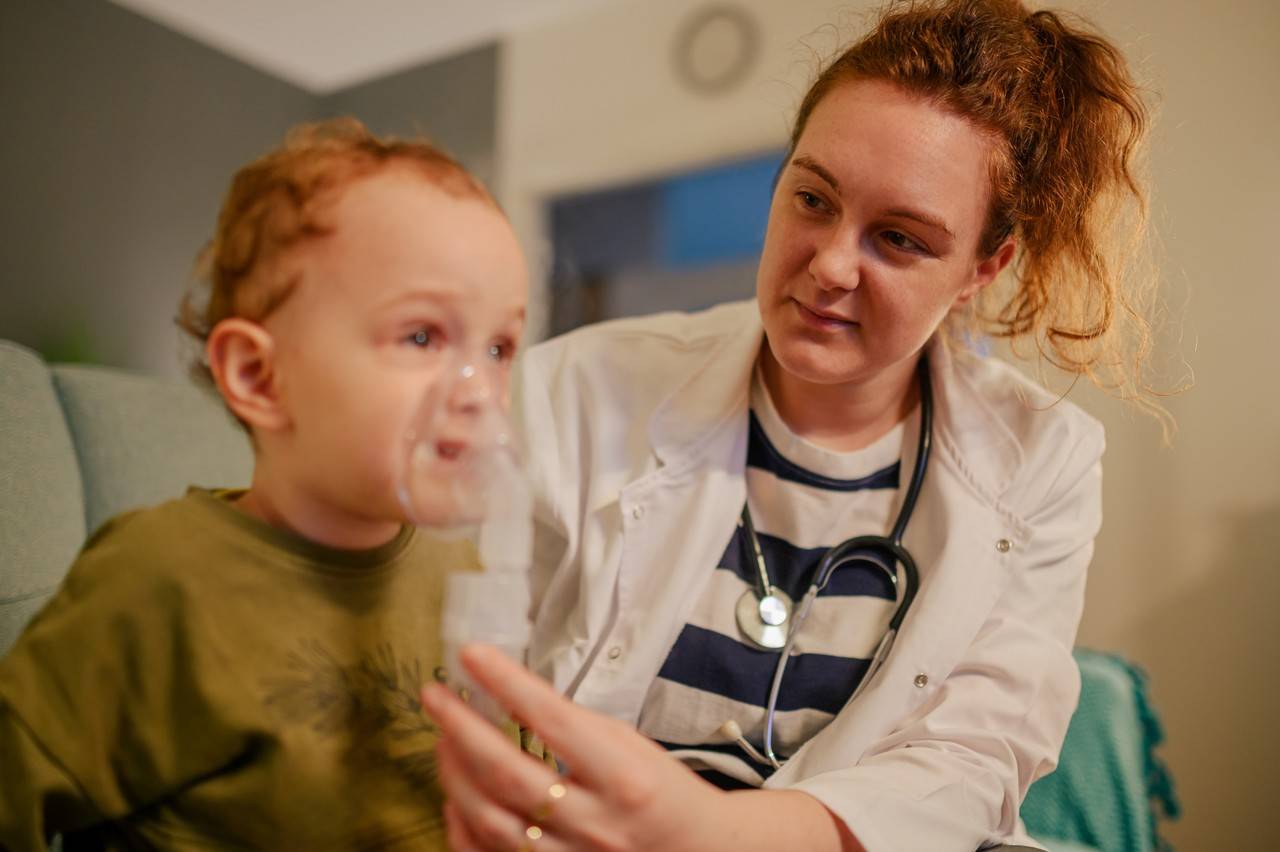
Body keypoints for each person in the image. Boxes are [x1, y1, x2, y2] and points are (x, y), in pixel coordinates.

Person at [420, 0, 1161, 850]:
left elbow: (971, 763)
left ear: (982, 267)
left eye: (900, 238)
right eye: (812, 198)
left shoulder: (1044, 461)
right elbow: (463, 661)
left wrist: (711, 833)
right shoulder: (574, 389)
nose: (831, 264)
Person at [0, 118, 530, 848]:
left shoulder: (459, 571)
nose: (480, 390)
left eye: (499, 346)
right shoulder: (161, 579)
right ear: (260, 376)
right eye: (421, 336)